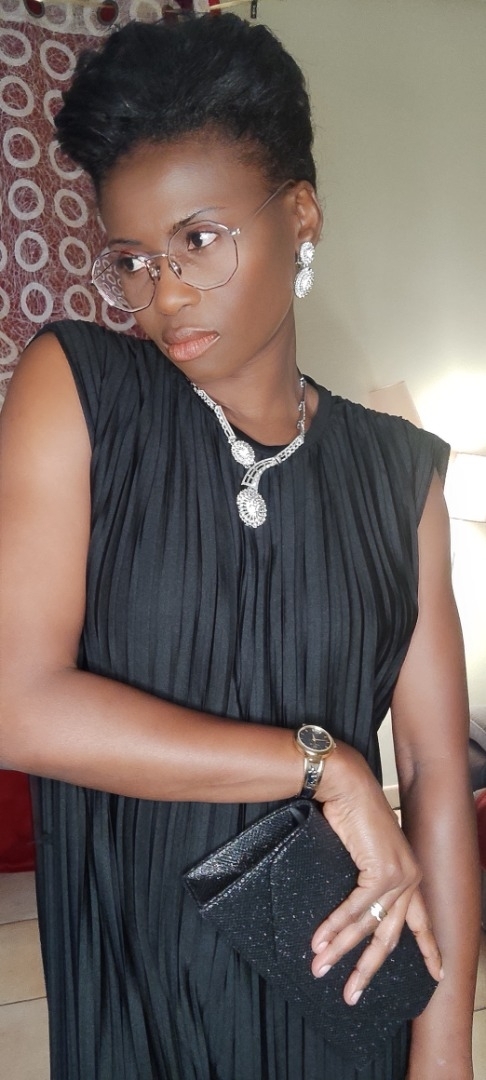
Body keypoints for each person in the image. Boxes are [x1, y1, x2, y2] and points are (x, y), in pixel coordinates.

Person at [0, 14, 479, 1080]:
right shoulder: (78, 393)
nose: (163, 293)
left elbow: (438, 770)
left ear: (300, 214)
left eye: (198, 240)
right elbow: (16, 702)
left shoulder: (400, 475)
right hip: (139, 998)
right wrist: (323, 767)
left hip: (341, 994)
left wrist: (444, 1048)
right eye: (130, 259)